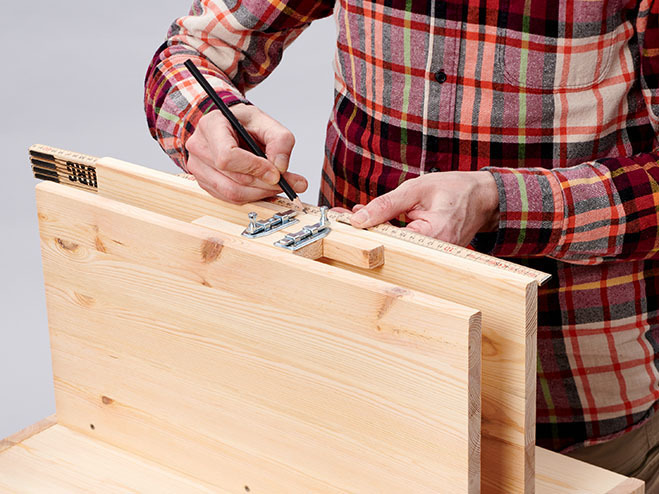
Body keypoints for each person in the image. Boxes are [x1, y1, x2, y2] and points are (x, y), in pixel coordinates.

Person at [145, 0, 659, 488]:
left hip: (566, 398)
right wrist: (203, 121)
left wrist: (497, 200)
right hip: (349, 368)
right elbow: (190, 53)